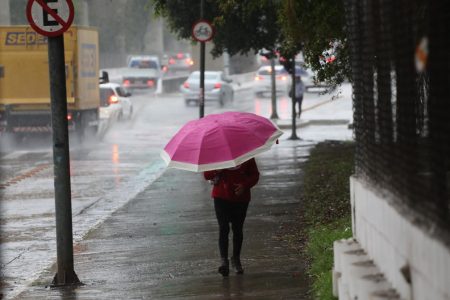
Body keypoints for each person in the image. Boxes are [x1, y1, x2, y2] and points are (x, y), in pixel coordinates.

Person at [203, 158, 260, 277]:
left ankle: (236, 259)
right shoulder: (217, 155)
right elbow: (206, 175)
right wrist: (216, 170)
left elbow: (255, 175)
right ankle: (224, 261)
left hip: (241, 199)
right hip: (221, 197)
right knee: (223, 228)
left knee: (237, 229)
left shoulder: (247, 155)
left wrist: (244, 185)